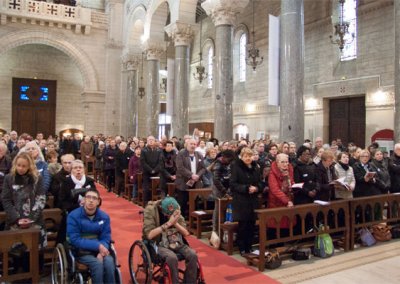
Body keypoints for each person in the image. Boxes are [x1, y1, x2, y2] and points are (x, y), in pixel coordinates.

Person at [143, 197, 198, 284]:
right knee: (172, 257)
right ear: (162, 210)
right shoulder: (150, 210)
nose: (169, 216)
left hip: (176, 241)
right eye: (167, 215)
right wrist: (169, 223)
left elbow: (186, 233)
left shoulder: (176, 209)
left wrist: (175, 223)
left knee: (192, 254)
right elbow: (149, 235)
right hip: (158, 243)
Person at [67, 188, 116, 284]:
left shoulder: (104, 217)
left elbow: (106, 237)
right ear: (84, 200)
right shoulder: (73, 216)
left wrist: (101, 251)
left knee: (109, 263)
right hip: (82, 251)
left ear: (98, 202)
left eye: (94, 198)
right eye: (88, 197)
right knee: (97, 264)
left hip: (100, 250)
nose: (91, 200)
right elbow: (75, 239)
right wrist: (98, 246)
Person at [1, 152, 46, 247]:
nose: (21, 168)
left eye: (24, 166)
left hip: (34, 219)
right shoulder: (9, 178)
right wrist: (16, 218)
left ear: (30, 166)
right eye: (19, 165)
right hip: (15, 220)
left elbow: (41, 198)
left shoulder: (37, 178)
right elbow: (6, 199)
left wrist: (31, 218)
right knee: (17, 252)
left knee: (34, 251)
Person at [230, 147, 261, 255]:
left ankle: (249, 246)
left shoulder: (256, 167)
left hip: (253, 201)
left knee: (251, 225)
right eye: (246, 156)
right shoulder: (236, 167)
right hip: (241, 201)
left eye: (250, 156)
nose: (248, 158)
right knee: (243, 225)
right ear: (241, 157)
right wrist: (246, 188)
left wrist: (256, 188)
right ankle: (242, 247)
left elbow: (260, 182)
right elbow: (233, 184)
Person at [175, 138, 206, 218]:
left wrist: (198, 175)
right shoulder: (181, 153)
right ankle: (181, 219)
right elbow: (180, 167)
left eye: (194, 144)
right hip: (183, 182)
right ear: (187, 145)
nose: (193, 146)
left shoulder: (199, 154)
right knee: (183, 202)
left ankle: (192, 219)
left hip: (196, 182)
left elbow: (203, 168)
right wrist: (191, 175)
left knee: (195, 201)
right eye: (191, 144)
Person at [268, 153, 295, 240]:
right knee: (275, 225)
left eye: (287, 162)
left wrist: (294, 186)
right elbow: (275, 190)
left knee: (285, 227)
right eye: (282, 162)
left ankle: (284, 246)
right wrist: (287, 201)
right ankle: (274, 247)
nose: (285, 164)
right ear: (277, 162)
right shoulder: (272, 173)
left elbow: (292, 181)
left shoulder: (290, 170)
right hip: (276, 203)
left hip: (287, 201)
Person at [211, 149, 235, 234]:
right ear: (224, 157)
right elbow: (216, 180)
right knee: (218, 210)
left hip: (226, 189)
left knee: (226, 210)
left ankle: (224, 230)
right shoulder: (218, 164)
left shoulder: (228, 163)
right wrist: (224, 191)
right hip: (219, 189)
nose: (230, 161)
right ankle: (215, 230)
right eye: (230, 159)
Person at [140, 136, 162, 206]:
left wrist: (155, 170)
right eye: (149, 140)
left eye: (152, 140)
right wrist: (150, 170)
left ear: (155, 141)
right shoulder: (144, 150)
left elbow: (160, 162)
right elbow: (143, 162)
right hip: (147, 172)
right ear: (147, 141)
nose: (151, 141)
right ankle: (146, 204)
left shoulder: (159, 150)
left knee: (158, 188)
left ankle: (157, 204)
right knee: (146, 189)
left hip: (156, 172)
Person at [0, 142, 12, 211]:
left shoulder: (8, 162)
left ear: (4, 152)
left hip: (3, 190)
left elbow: (10, 180)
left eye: (1, 151)